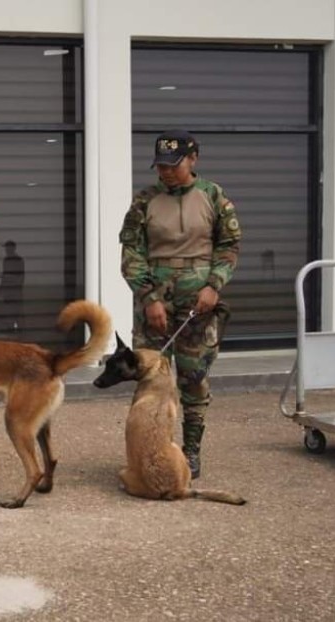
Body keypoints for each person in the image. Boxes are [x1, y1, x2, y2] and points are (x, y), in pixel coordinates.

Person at [119, 130, 241, 479]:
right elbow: (131, 253)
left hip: (198, 303)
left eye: (173, 165)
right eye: (160, 166)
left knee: (194, 378)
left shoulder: (213, 196)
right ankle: (148, 448)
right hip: (155, 303)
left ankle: (190, 451)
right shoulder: (144, 200)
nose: (166, 172)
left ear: (193, 159)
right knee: (149, 382)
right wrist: (148, 297)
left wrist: (214, 285)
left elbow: (229, 246)